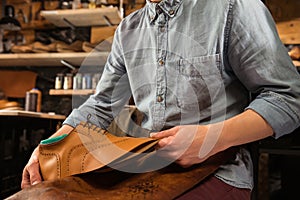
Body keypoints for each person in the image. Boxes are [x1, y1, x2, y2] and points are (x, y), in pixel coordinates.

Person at [21, 0, 300, 199]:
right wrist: (48, 148)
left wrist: (209, 139)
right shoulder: (127, 31)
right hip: (146, 171)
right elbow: (100, 105)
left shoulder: (234, 7)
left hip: (217, 171)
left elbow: (288, 98)